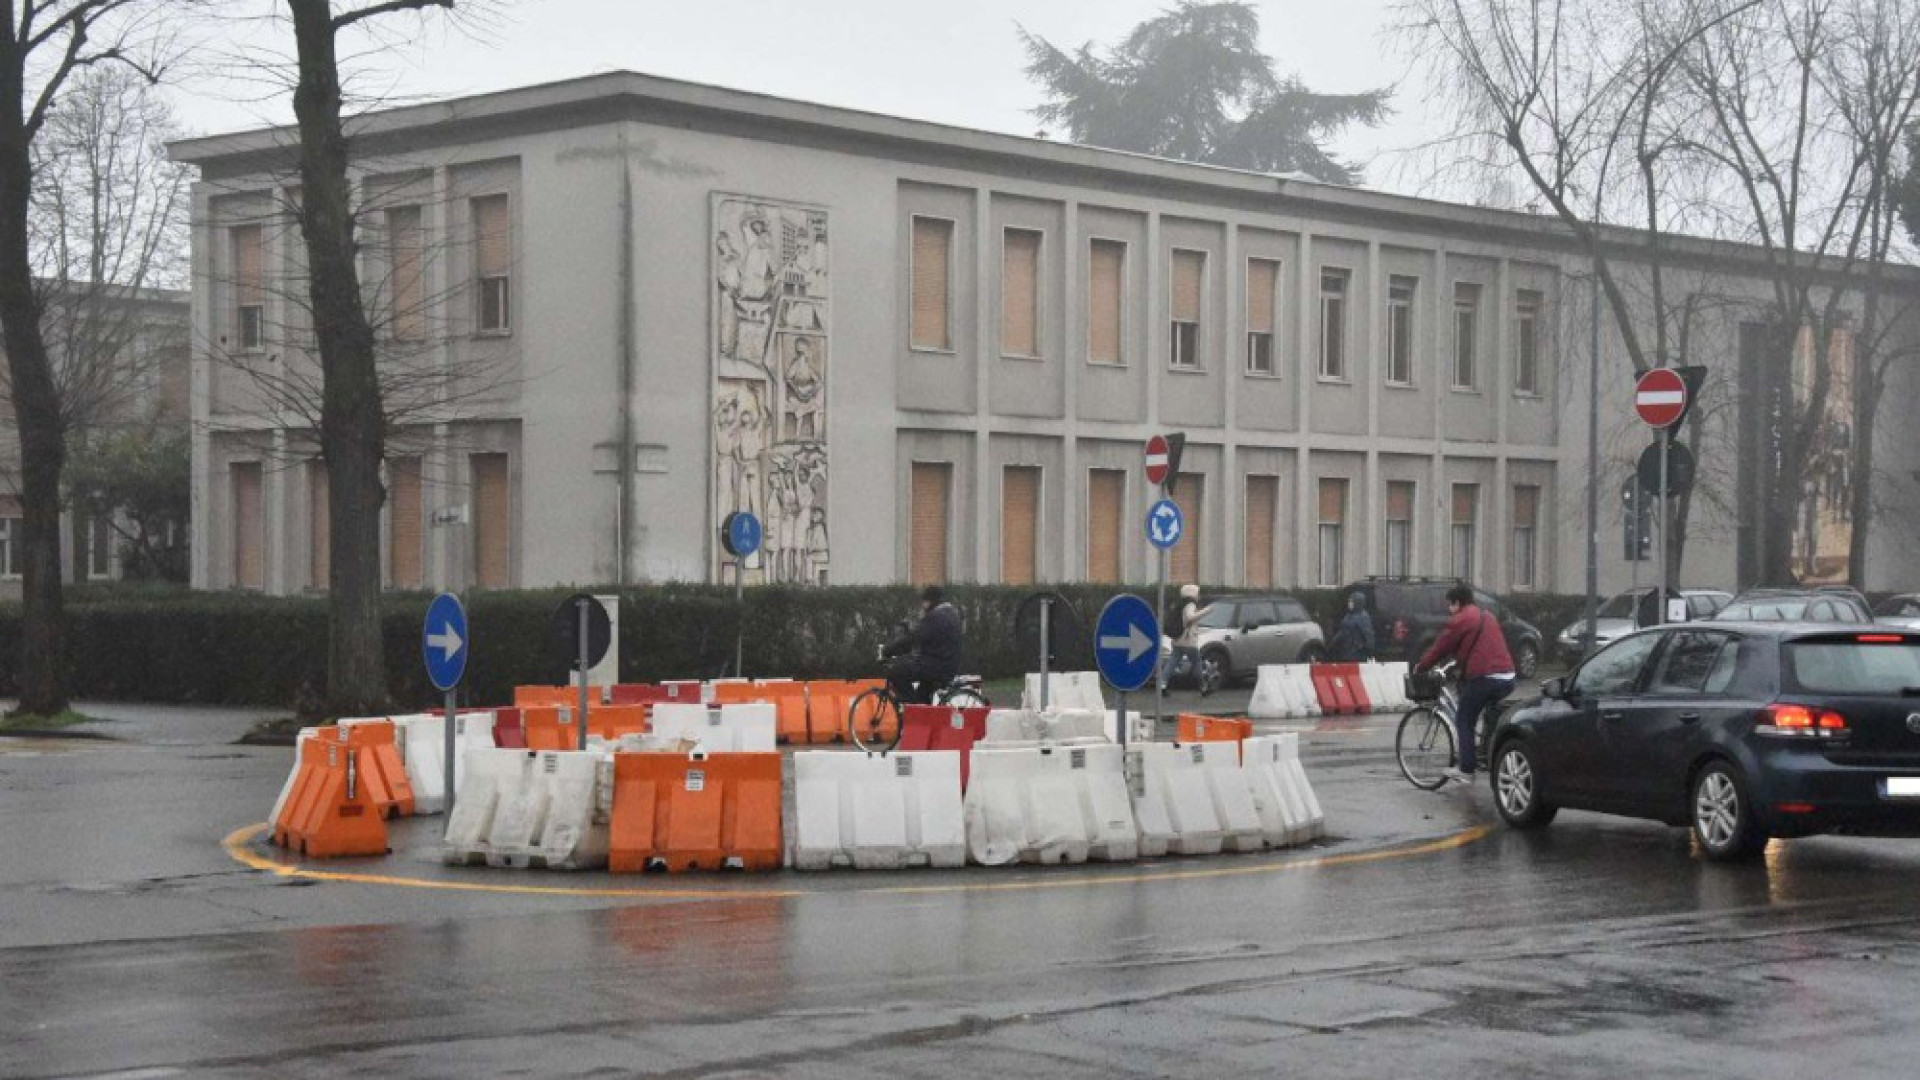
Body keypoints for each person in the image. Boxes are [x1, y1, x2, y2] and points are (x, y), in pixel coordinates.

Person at [1414, 584, 1516, 784]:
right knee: (1487, 715)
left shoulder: (1461, 619)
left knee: (1464, 720)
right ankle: (1486, 752)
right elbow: (1480, 649)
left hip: (1485, 678)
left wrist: (1421, 666)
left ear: (1457, 602)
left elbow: (1441, 647)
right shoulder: (1487, 616)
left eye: (1449, 605)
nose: (1449, 609)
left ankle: (1466, 770)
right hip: (1507, 677)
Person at [882, 585, 964, 706]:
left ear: (930, 601)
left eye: (924, 602)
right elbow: (927, 638)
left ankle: (912, 708)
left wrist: (889, 650)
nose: (923, 605)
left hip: (936, 666)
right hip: (947, 665)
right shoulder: (951, 613)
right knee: (922, 696)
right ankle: (921, 712)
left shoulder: (936, 617)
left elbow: (915, 638)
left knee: (897, 672)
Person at [1330, 592, 1376, 662]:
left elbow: (1368, 635)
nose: (1349, 603)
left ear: (1358, 602)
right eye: (1349, 601)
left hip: (1357, 653)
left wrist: (1369, 651)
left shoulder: (1363, 617)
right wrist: (1333, 641)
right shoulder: (1348, 615)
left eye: (1351, 602)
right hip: (1344, 652)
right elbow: (1343, 630)